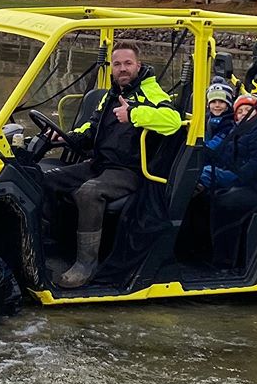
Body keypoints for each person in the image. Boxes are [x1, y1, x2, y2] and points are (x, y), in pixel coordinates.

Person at [44, 41, 182, 288]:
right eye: (117, 64)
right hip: (100, 163)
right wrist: (68, 137)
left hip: (131, 170)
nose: (122, 69)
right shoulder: (111, 95)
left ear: (138, 65)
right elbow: (92, 126)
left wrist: (134, 114)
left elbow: (172, 121)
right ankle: (47, 243)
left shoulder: (151, 93)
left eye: (128, 63)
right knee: (45, 179)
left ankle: (86, 264)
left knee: (89, 192)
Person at [200, 94, 257, 268]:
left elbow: (255, 167)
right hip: (236, 178)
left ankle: (225, 262)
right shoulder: (235, 132)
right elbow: (222, 156)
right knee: (199, 195)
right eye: (241, 111)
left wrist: (228, 178)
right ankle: (201, 250)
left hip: (255, 185)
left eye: (249, 110)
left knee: (224, 203)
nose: (245, 114)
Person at [204, 78, 235, 150]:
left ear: (228, 105)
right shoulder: (206, 119)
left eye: (221, 102)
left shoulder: (229, 122)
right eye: (213, 102)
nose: (217, 105)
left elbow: (215, 144)